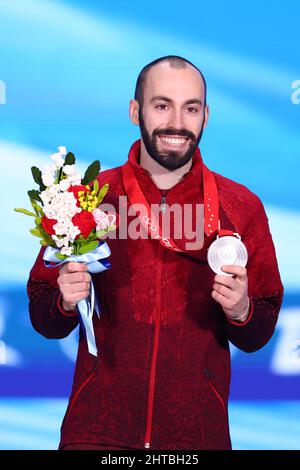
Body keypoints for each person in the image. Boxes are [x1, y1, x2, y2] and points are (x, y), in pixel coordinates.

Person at [27, 55, 284, 450]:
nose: (177, 123)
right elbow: (45, 321)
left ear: (206, 116)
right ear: (135, 111)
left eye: (191, 108)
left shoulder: (240, 206)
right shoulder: (89, 201)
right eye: (162, 105)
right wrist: (63, 301)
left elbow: (258, 333)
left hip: (197, 438)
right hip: (96, 436)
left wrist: (241, 311)